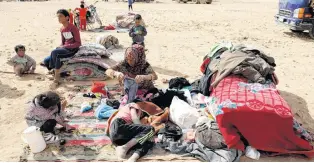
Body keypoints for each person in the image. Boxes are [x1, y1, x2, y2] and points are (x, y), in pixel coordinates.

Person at [43, 9, 81, 86]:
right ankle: (57, 71)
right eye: (58, 17)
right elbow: (63, 42)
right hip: (65, 48)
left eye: (60, 16)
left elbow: (78, 43)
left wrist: (65, 46)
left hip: (72, 49)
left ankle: (57, 77)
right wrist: (60, 46)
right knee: (46, 60)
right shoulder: (62, 29)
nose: (58, 18)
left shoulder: (73, 28)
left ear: (67, 17)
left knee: (55, 54)